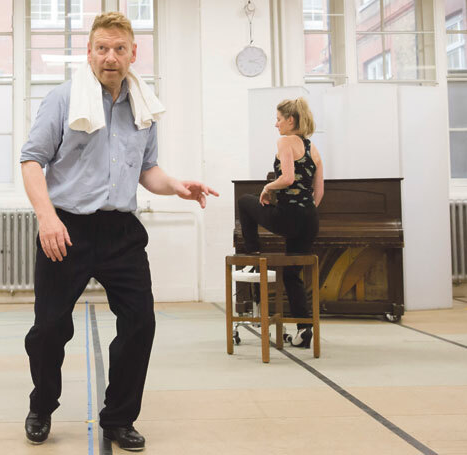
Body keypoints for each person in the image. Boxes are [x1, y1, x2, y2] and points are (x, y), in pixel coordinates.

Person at [20, 11, 218, 451]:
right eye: (102, 48)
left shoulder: (143, 107)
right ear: (89, 52)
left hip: (120, 231)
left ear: (134, 53)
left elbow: (148, 171)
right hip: (66, 227)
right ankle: (42, 404)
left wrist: (178, 186)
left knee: (140, 323)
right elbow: (31, 160)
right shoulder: (62, 99)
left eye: (120, 48)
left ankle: (119, 418)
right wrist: (47, 217)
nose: (111, 57)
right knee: (49, 329)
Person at [237, 97, 324, 348]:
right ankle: (304, 329)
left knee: (245, 201)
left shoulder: (285, 141)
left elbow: (286, 178)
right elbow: (319, 193)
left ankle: (252, 256)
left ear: (290, 120)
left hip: (288, 217)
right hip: (310, 220)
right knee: (292, 275)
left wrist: (267, 187)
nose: (276, 125)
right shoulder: (313, 149)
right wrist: (303, 212)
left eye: (278, 119)